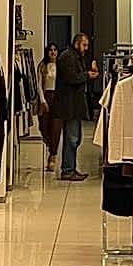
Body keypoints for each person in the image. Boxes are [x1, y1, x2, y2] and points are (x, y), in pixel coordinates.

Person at [51, 33, 99, 181]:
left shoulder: (75, 57)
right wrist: (87, 75)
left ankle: (70, 168)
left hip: (73, 105)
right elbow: (71, 78)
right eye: (84, 45)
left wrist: (88, 73)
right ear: (77, 44)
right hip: (69, 105)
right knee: (72, 138)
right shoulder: (67, 57)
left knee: (75, 138)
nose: (86, 48)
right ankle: (67, 170)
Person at [37, 42, 61, 172]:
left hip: (58, 97)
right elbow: (39, 84)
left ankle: (53, 155)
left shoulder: (61, 66)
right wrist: (42, 100)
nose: (53, 52)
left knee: (55, 127)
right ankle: (49, 145)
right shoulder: (43, 66)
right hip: (46, 96)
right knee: (44, 126)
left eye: (55, 50)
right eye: (50, 50)